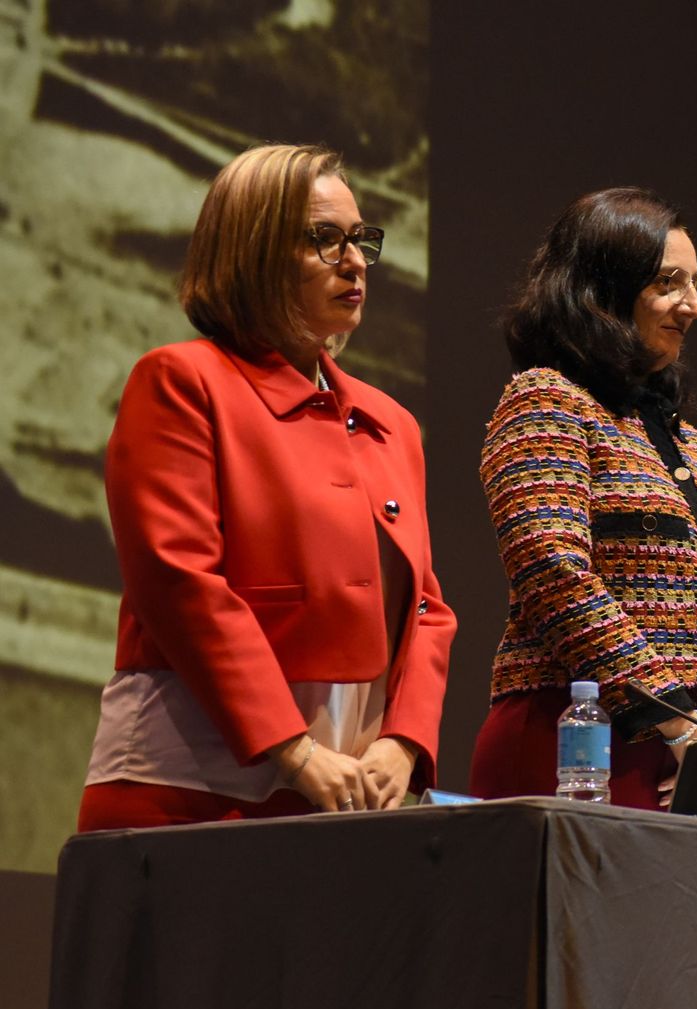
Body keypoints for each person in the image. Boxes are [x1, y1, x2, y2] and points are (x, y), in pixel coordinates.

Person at [79, 144, 455, 830]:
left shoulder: (391, 423)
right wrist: (294, 751)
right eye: (324, 238)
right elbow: (178, 581)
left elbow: (427, 608)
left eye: (361, 239)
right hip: (190, 791)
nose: (355, 260)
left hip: (349, 797)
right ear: (253, 250)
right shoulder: (182, 383)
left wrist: (402, 743)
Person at [469, 188, 697, 809]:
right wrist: (674, 718)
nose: (693, 306)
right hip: (578, 737)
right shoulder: (546, 399)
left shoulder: (693, 444)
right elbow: (552, 572)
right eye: (667, 283)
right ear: (601, 290)